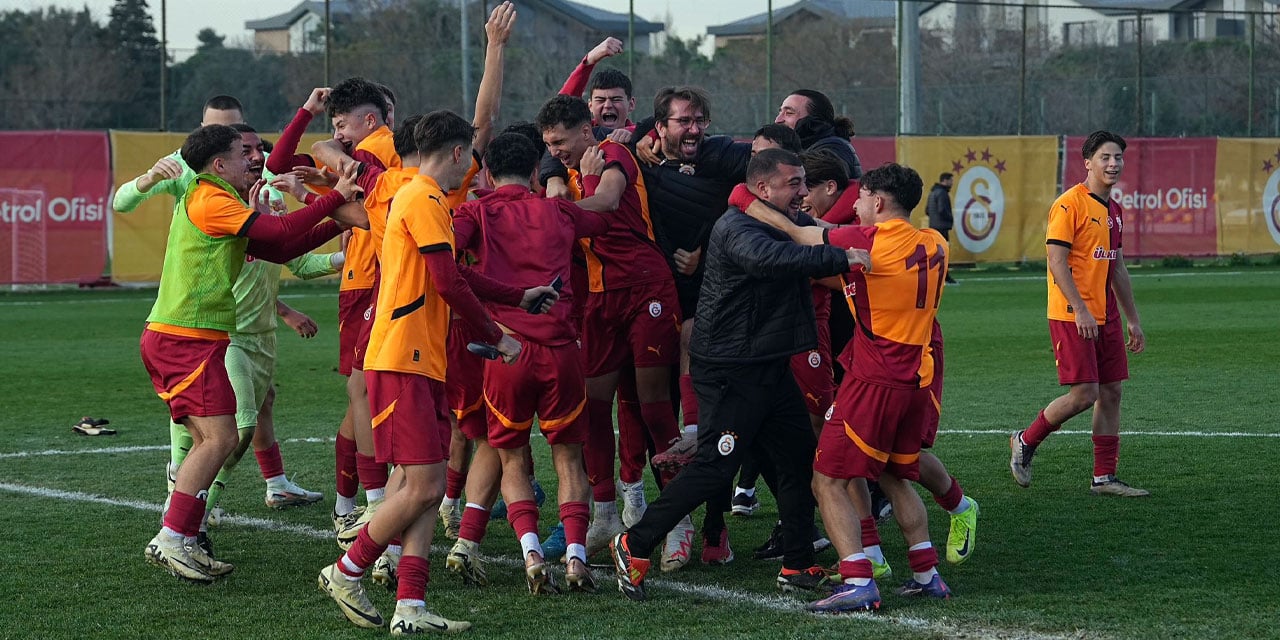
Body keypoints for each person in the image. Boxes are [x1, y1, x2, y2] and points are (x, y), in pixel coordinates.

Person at [609, 149, 862, 602]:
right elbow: (774, 261)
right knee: (714, 466)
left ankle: (798, 561)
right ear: (763, 189)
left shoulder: (776, 221)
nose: (803, 192)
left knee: (797, 458)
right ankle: (634, 542)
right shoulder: (738, 227)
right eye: (794, 183)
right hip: (731, 370)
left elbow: (798, 243)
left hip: (766, 363)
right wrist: (842, 257)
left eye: (805, 182)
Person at [316, 110, 533, 633]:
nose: (474, 177)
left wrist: (518, 296)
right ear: (458, 153)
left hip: (419, 359)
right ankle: (346, 571)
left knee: (426, 486)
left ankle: (409, 607)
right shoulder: (426, 197)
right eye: (472, 163)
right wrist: (497, 336)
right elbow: (448, 283)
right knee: (422, 486)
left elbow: (453, 273)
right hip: (402, 359)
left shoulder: (415, 196)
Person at [141, 124, 360, 583]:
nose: (254, 160)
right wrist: (334, 196)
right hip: (186, 339)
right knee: (219, 439)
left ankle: (182, 535)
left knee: (212, 440)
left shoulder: (223, 200)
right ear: (219, 165)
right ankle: (172, 536)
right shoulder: (210, 198)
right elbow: (281, 229)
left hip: (193, 338)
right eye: (244, 154)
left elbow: (282, 246)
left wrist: (335, 221)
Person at [731, 161, 953, 613]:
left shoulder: (871, 241)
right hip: (916, 376)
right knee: (894, 475)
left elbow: (806, 236)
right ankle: (927, 574)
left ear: (877, 202)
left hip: (876, 379)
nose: (855, 208)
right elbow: (829, 233)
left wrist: (750, 204)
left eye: (861, 200)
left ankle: (857, 580)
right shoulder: (935, 240)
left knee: (827, 478)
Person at [446, 132, 609, 595]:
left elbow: (447, 257)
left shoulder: (475, 210)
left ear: (489, 176)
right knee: (569, 461)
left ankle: (532, 553)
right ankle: (576, 559)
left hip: (507, 351)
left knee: (512, 457)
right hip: (561, 351)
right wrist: (590, 177)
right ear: (537, 173)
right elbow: (602, 218)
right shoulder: (557, 210)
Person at [535, 95, 683, 560]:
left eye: (560, 142)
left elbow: (608, 201)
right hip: (600, 299)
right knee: (593, 408)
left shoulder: (611, 156)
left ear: (586, 131)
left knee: (654, 408)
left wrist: (553, 213)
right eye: (548, 144)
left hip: (646, 289)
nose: (555, 150)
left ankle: (677, 520)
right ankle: (604, 515)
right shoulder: (568, 170)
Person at [1010, 130, 1148, 497]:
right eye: (1105, 157)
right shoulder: (1069, 204)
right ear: (1087, 162)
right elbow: (1056, 261)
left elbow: (1116, 267)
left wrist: (1132, 318)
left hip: (1105, 314)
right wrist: (1081, 309)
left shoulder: (1114, 211)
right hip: (1073, 314)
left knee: (1112, 391)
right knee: (1085, 394)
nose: (1113, 164)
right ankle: (1025, 440)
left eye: (1118, 157)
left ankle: (1104, 477)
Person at [775, 89, 862, 179]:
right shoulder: (800, 147)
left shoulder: (833, 148)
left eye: (789, 113)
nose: (778, 120)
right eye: (780, 112)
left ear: (814, 121)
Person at [926, 173, 958, 284]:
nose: (952, 183)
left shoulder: (933, 192)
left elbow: (927, 210)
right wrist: (950, 218)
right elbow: (942, 210)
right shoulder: (942, 193)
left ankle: (937, 276)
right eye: (951, 181)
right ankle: (945, 277)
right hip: (942, 228)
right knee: (944, 253)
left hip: (934, 227)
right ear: (945, 180)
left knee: (936, 254)